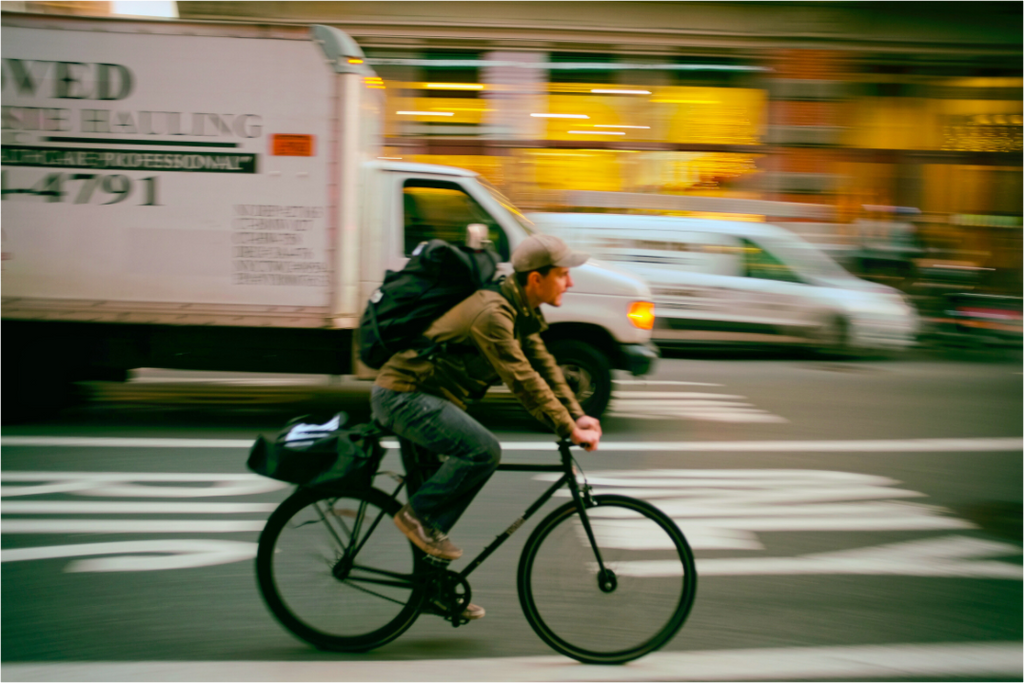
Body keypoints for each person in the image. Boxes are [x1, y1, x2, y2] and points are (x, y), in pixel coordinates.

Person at [370, 233, 603, 621]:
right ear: (536, 279)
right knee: (482, 452)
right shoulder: (493, 314)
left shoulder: (520, 308)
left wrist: (576, 414)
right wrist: (567, 428)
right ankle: (417, 517)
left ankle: (431, 590)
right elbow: (521, 378)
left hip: (427, 398)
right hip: (404, 397)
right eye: (563, 274)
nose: (571, 282)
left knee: (439, 507)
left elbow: (543, 363)